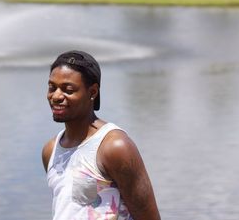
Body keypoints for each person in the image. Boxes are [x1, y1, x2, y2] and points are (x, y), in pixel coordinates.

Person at [42, 50, 160, 220]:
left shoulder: (114, 147)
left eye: (68, 89)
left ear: (93, 92)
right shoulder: (51, 151)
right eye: (52, 87)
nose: (56, 96)